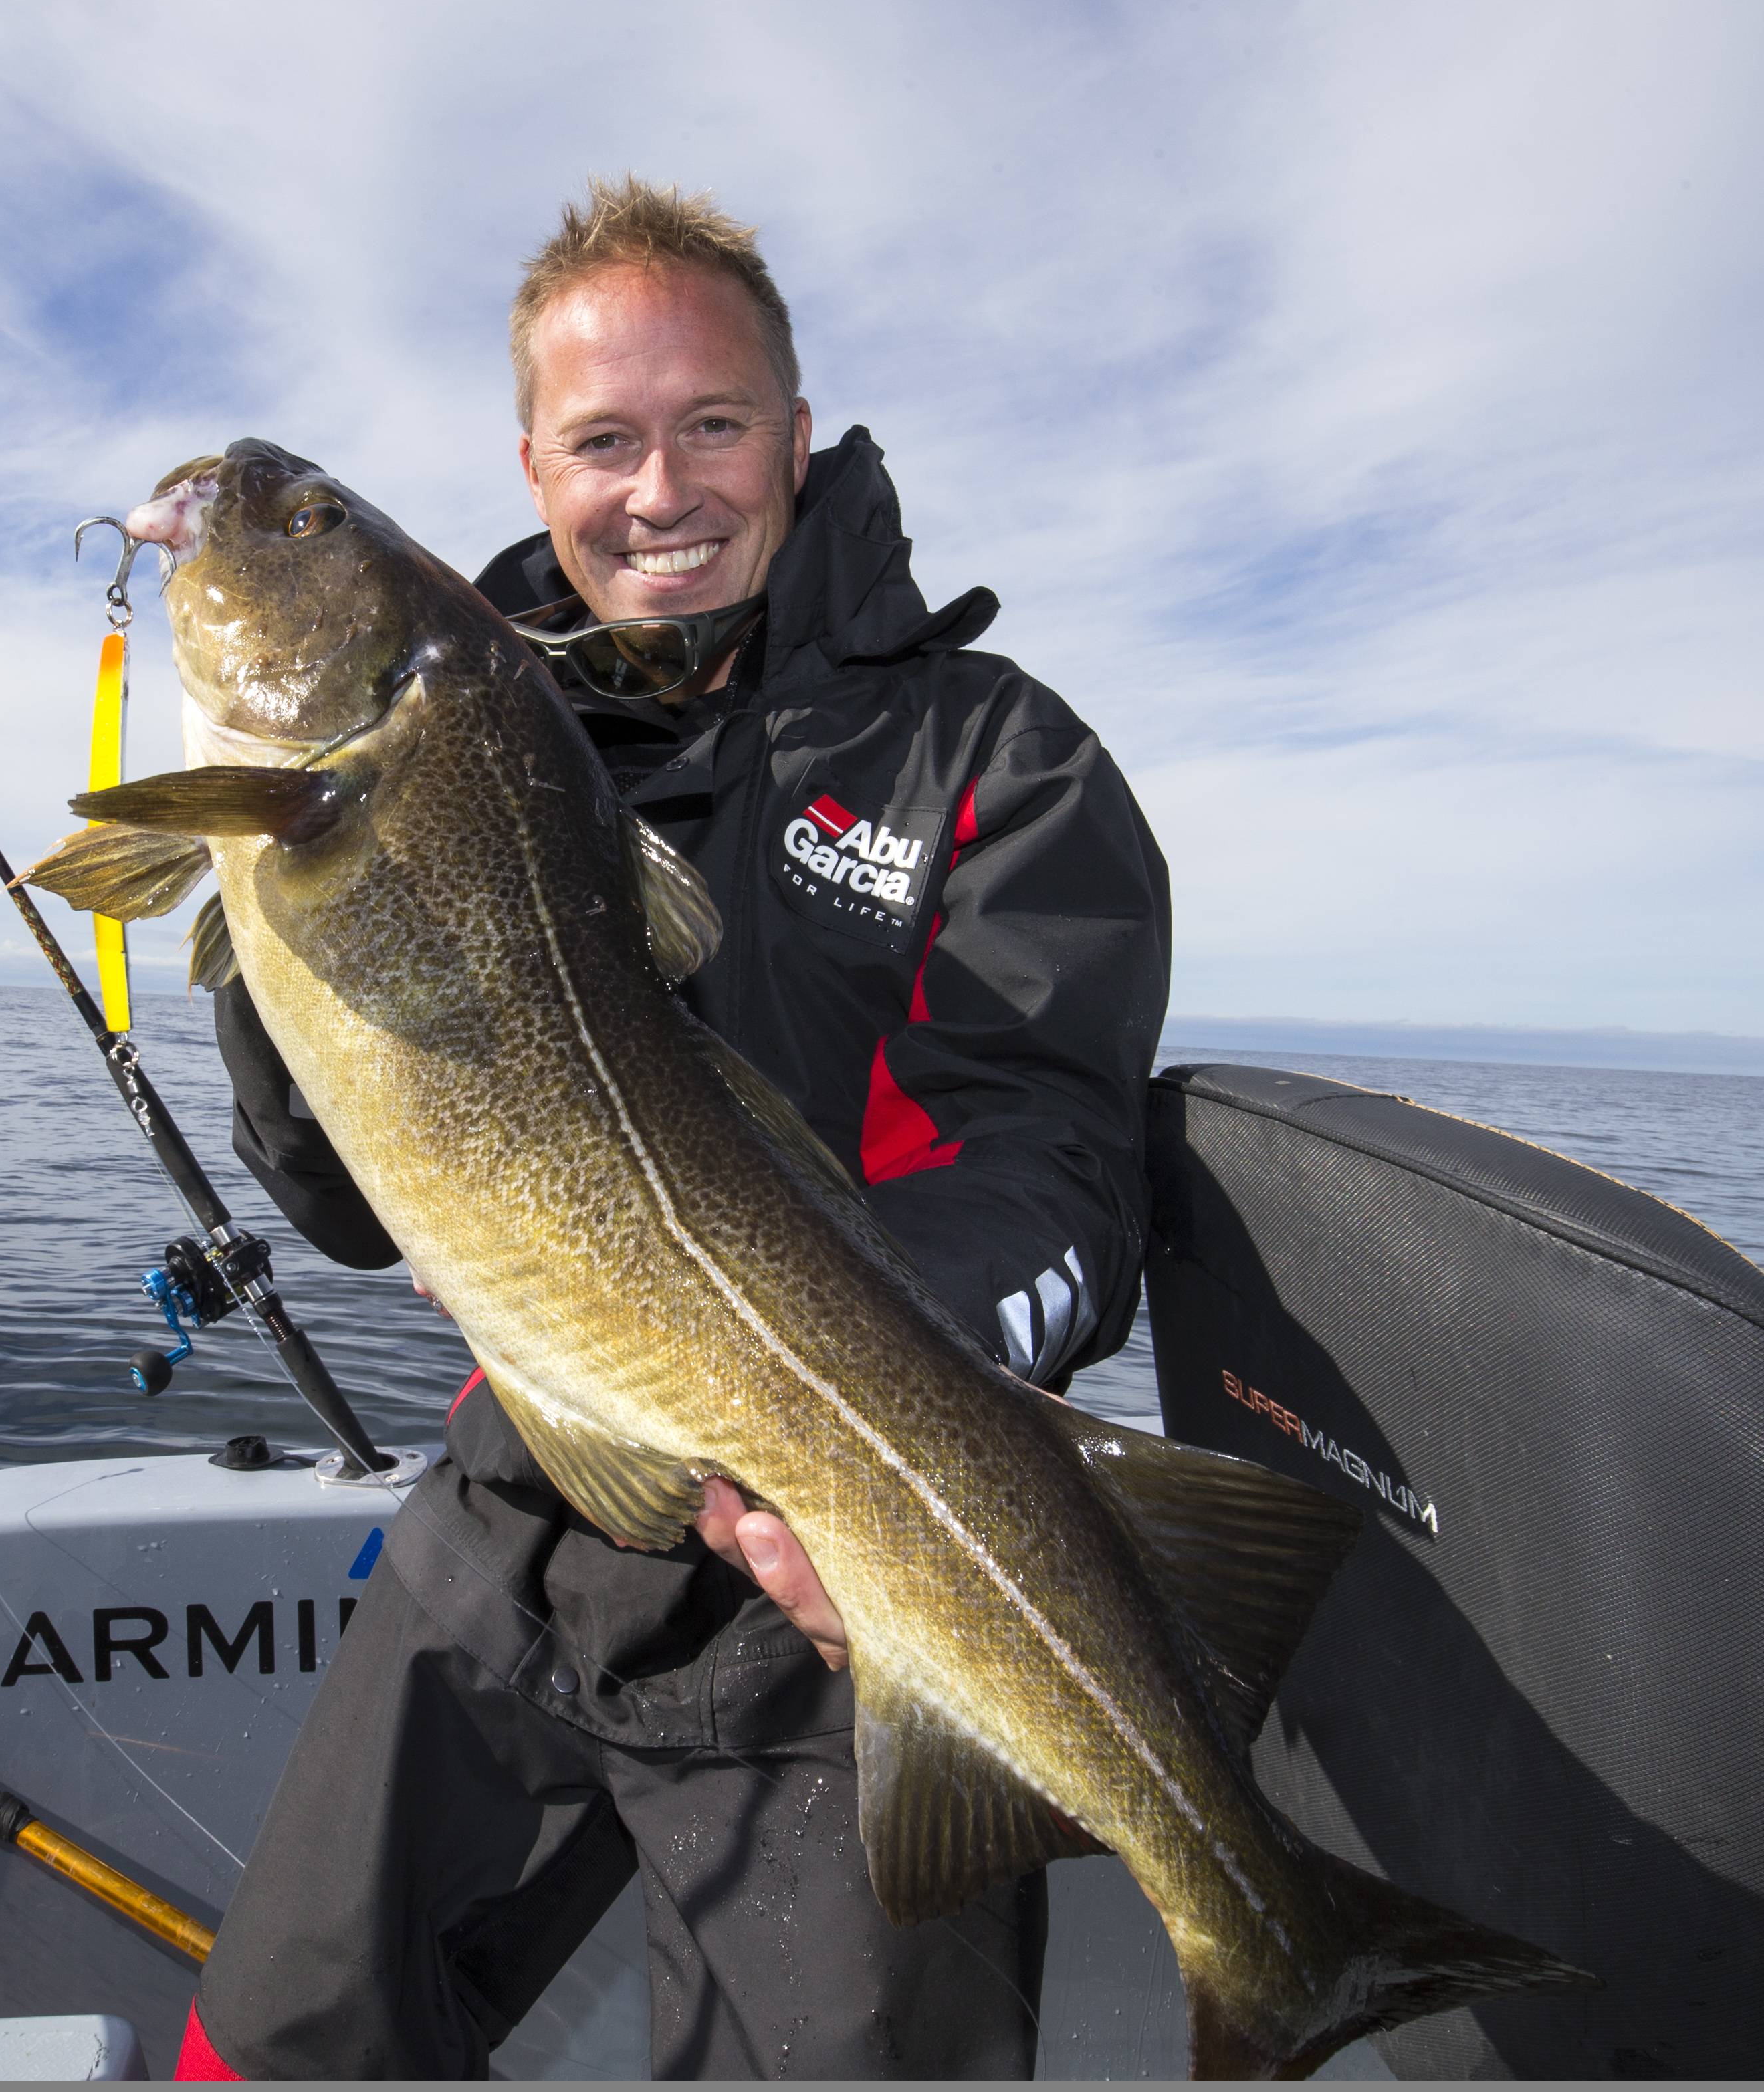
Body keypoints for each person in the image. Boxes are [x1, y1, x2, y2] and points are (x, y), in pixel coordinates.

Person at [181, 178, 1172, 2081]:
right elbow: (344, 1211)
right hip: (517, 1515)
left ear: (796, 438)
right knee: (275, 2053)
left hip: (844, 1599)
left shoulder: (1000, 759)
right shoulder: (468, 731)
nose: (663, 490)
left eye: (712, 425)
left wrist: (885, 1467)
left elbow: (1059, 1179)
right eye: (606, 441)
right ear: (535, 464)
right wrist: (263, 930)